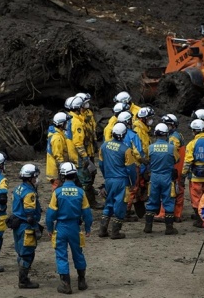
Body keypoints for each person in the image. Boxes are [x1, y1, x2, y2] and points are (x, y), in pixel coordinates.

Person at [46, 162, 93, 294]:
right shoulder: (81, 192)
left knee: (61, 255)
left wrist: (49, 228)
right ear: (75, 175)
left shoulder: (57, 192)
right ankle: (82, 281)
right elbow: (87, 213)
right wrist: (88, 228)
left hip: (60, 227)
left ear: (62, 175)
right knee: (78, 253)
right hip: (75, 228)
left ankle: (65, 284)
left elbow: (50, 214)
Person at [98, 123, 138, 239]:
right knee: (120, 205)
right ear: (124, 134)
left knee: (108, 204)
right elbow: (130, 169)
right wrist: (132, 182)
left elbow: (101, 164)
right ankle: (115, 232)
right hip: (121, 182)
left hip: (109, 180)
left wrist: (107, 177)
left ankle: (103, 230)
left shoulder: (104, 146)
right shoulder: (126, 150)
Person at [66, 96, 103, 209]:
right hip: (79, 157)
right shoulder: (77, 122)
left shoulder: (70, 119)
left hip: (74, 155)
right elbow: (78, 143)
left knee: (79, 180)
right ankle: (88, 203)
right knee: (86, 181)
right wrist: (85, 158)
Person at [10, 164, 42, 289]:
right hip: (26, 227)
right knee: (28, 254)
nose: (37, 178)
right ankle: (23, 281)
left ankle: (23, 277)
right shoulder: (29, 193)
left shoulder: (18, 188)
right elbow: (29, 215)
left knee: (21, 252)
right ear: (30, 178)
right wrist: (36, 228)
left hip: (17, 225)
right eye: (35, 176)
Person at [143, 123, 179, 234]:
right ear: (166, 134)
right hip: (167, 177)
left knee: (152, 201)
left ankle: (148, 227)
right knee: (168, 201)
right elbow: (176, 160)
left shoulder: (150, 147)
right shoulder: (171, 148)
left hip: (154, 177)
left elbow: (147, 160)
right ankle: (169, 228)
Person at [155, 114, 185, 222]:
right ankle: (177, 214)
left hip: (173, 168)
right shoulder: (179, 135)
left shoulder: (172, 138)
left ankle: (163, 213)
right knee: (179, 190)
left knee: (168, 191)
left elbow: (171, 154)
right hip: (180, 168)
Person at [47, 112, 72, 191]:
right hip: (56, 170)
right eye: (66, 122)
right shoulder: (57, 137)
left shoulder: (58, 133)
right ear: (61, 124)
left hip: (55, 168)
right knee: (58, 190)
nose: (67, 124)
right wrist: (63, 169)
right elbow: (58, 155)